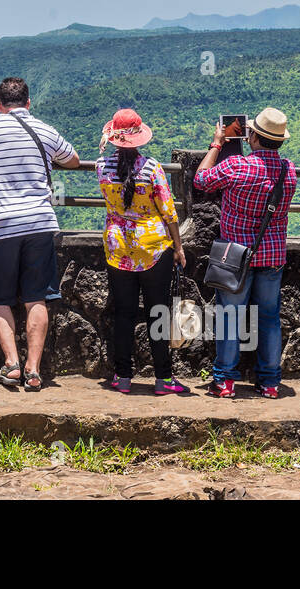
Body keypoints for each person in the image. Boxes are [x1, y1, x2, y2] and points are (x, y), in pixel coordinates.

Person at [0, 77, 79, 391]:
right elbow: (74, 160)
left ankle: (11, 364)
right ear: (28, 103)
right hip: (39, 222)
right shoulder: (46, 130)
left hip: (1, 224)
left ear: (0, 104)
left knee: (0, 299)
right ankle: (34, 370)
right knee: (36, 297)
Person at [193, 107, 298, 399]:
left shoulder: (237, 166)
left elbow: (201, 181)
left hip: (235, 256)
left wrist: (217, 143)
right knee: (269, 318)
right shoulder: (288, 171)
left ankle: (225, 382)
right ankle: (270, 383)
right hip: (272, 255)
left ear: (252, 136)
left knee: (230, 316)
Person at [95, 108, 189, 395]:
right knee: (156, 312)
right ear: (139, 139)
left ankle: (122, 377)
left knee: (123, 314)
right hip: (152, 248)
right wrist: (178, 247)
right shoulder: (152, 168)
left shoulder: (101, 167)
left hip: (118, 247)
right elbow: (169, 211)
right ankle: (164, 379)